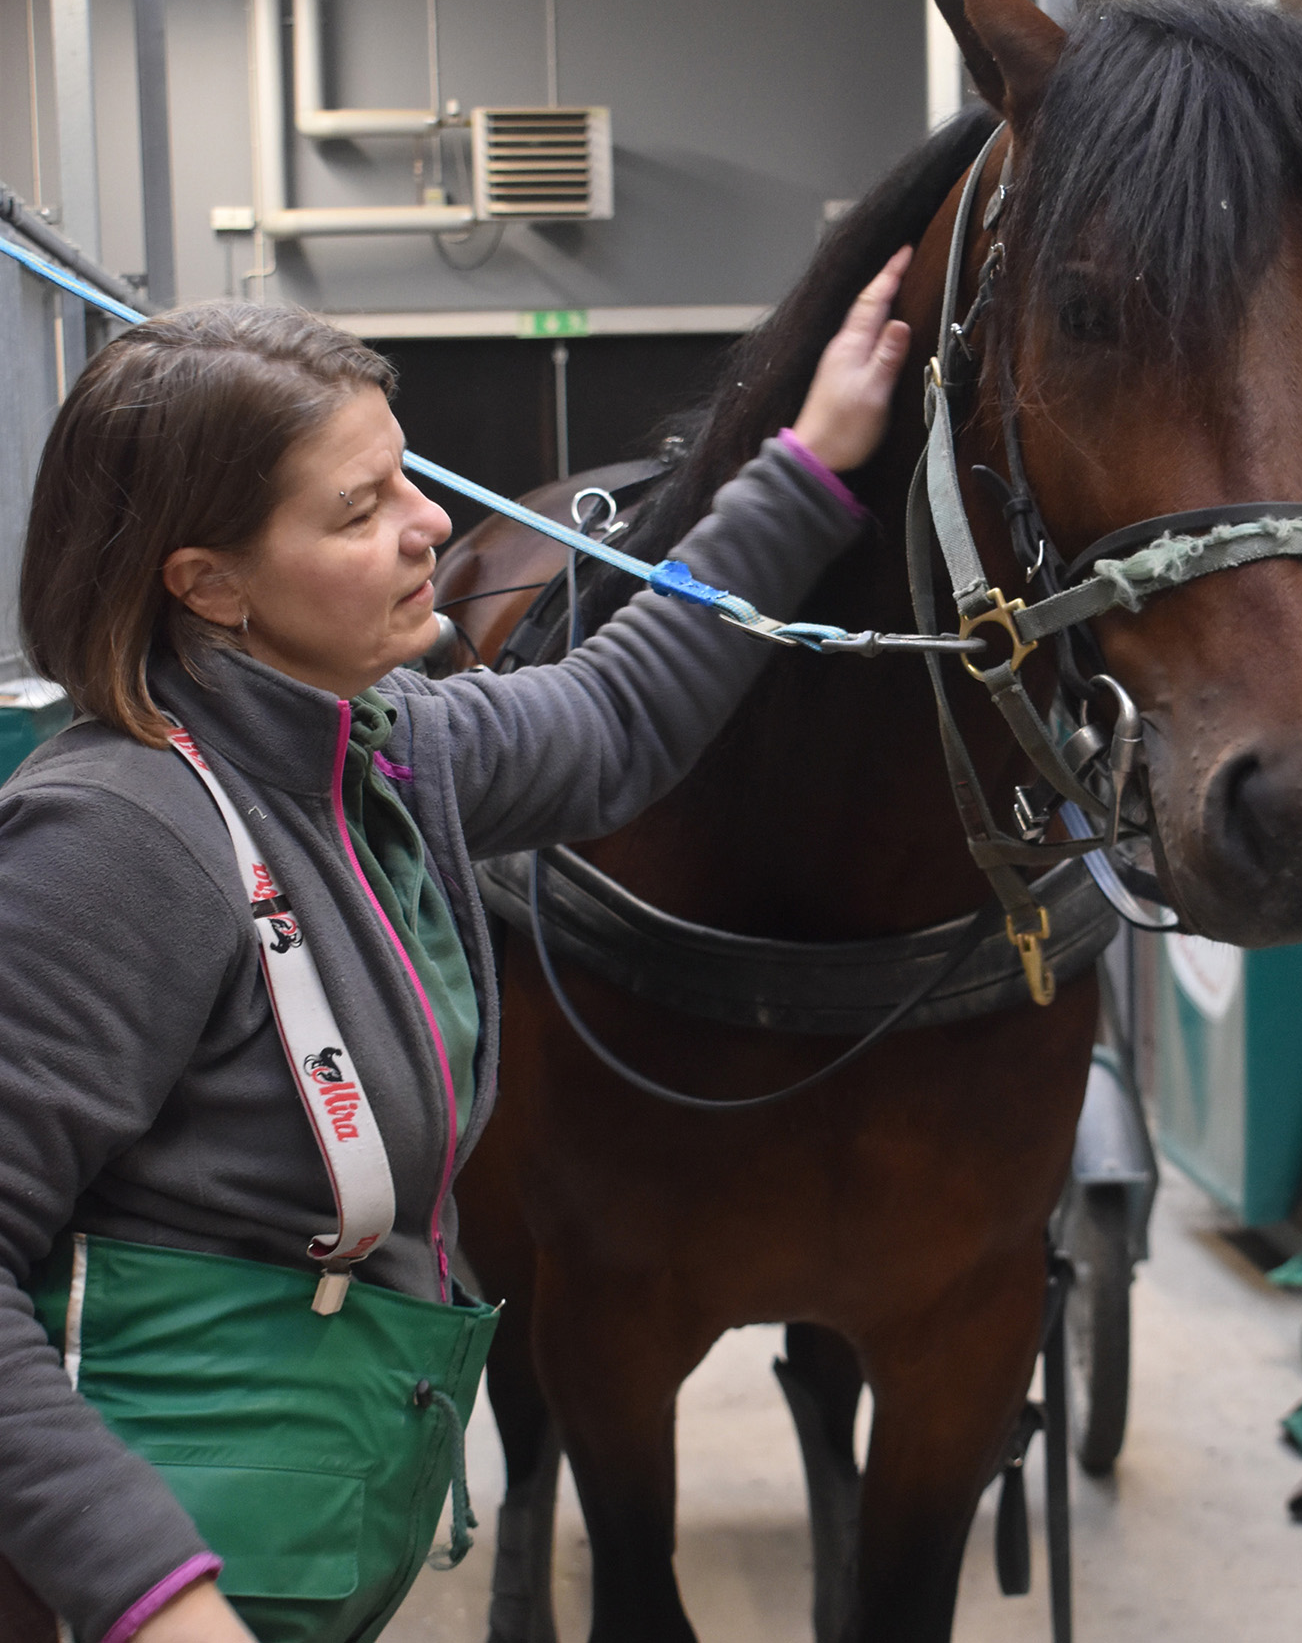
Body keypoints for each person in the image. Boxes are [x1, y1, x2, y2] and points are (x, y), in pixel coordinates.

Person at [0, 252, 911, 1643]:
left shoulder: (377, 746)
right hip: (176, 1580)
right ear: (211, 585)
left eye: (407, 474)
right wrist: (148, 1593)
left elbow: (617, 722)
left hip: (307, 1528)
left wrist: (810, 459)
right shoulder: (112, 842)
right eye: (361, 507)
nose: (431, 521)